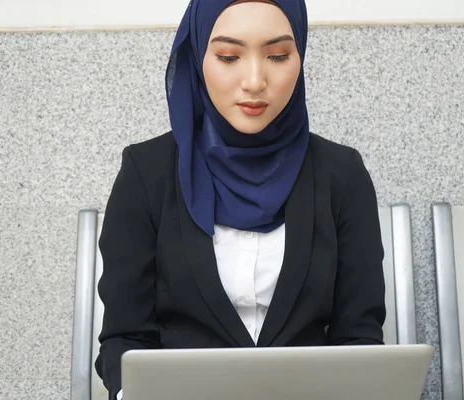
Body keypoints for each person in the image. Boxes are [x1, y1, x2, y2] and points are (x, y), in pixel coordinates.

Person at [95, 0, 386, 399]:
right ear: (198, 56)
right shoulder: (146, 173)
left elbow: (359, 339)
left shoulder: (342, 174)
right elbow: (124, 340)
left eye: (278, 55)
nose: (254, 80)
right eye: (229, 57)